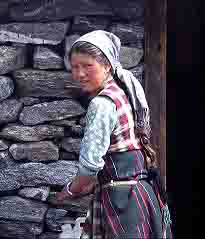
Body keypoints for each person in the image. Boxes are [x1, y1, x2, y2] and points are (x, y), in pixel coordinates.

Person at [56, 30, 172, 238]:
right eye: (75, 67)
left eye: (87, 66)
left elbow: (90, 166)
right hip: (140, 195)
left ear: (107, 65)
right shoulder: (121, 91)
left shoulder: (102, 104)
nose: (80, 74)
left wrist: (72, 189)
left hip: (123, 204)